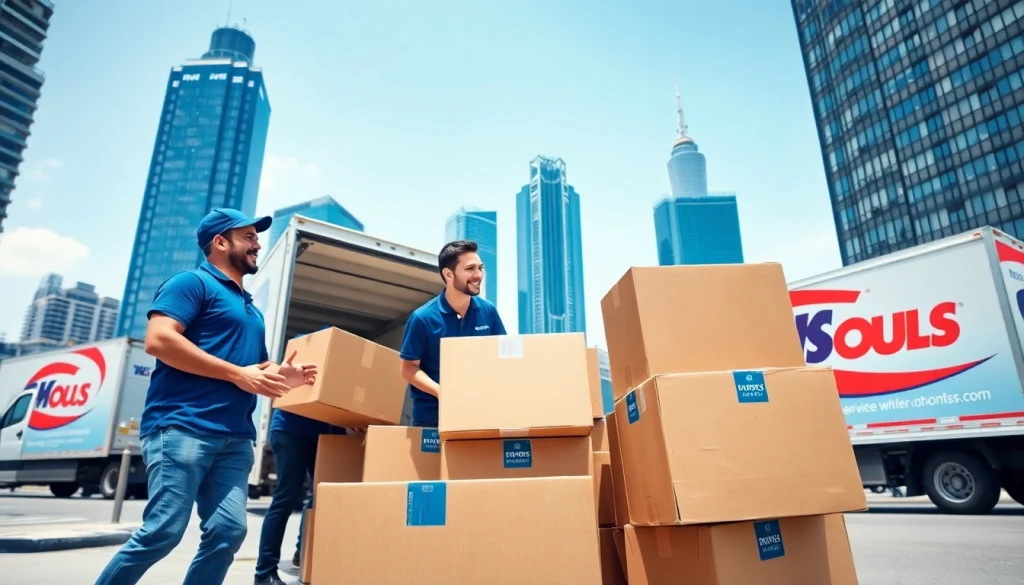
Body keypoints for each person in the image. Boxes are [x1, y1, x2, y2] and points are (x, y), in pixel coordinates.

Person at [93, 208, 319, 585]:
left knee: (228, 532)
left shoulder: (251, 310)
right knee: (162, 532)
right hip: (183, 427)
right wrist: (237, 373)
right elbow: (159, 339)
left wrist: (285, 377)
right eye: (248, 236)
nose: (257, 243)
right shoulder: (190, 284)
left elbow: (256, 369)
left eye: (256, 237)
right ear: (219, 242)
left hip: (235, 437)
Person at [400, 240, 506, 427]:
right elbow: (408, 368)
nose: (478, 275)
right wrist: (441, 392)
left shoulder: (488, 311)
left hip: (481, 414)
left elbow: (503, 358)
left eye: (480, 268)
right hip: (433, 419)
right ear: (448, 274)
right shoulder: (423, 318)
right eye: (470, 269)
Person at [253, 408, 346, 585]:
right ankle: (264, 573)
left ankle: (302, 552)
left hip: (329, 431)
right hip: (291, 428)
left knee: (325, 495)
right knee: (285, 498)